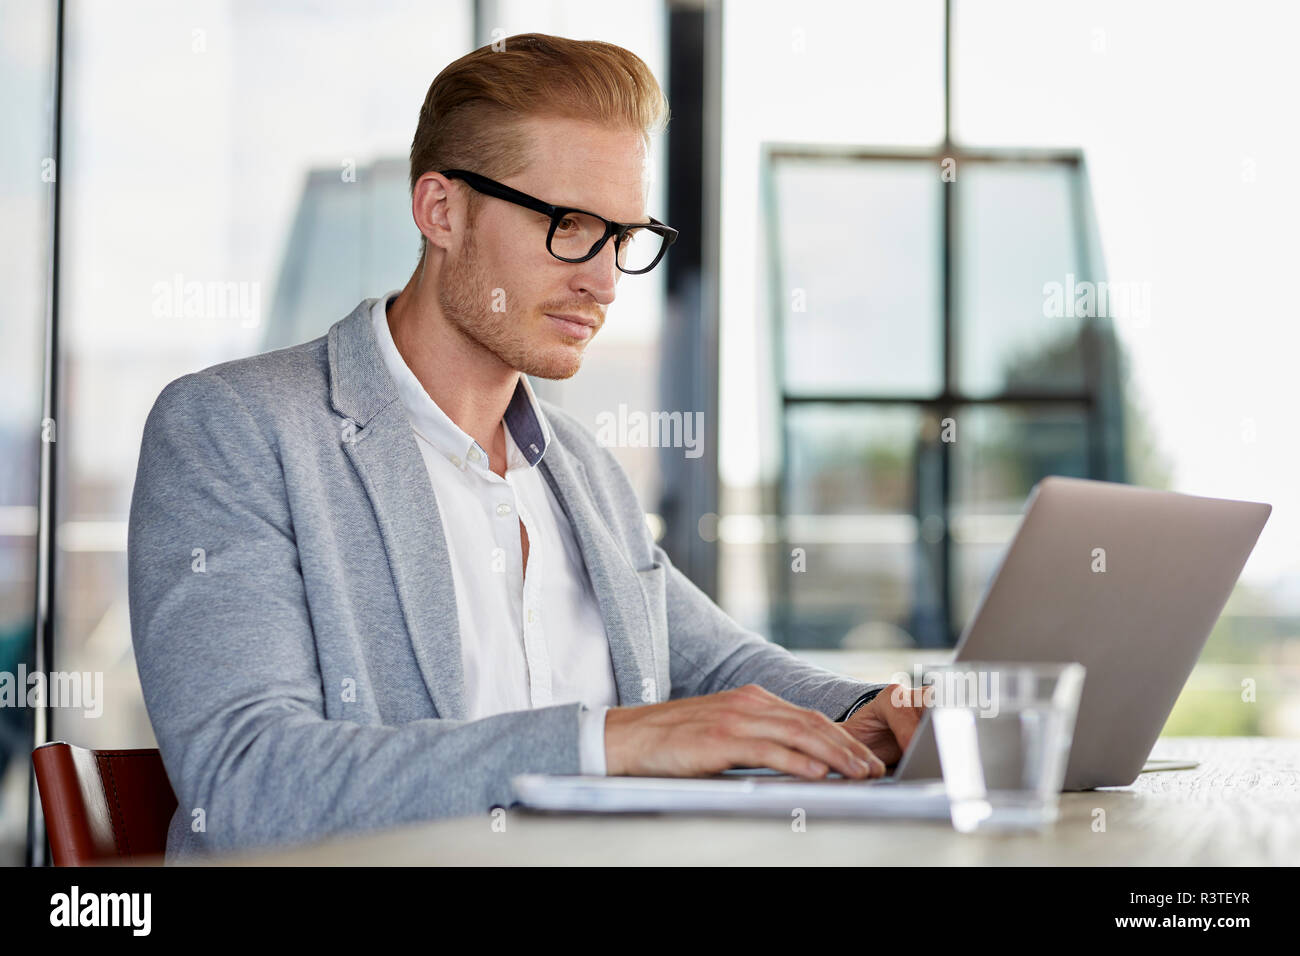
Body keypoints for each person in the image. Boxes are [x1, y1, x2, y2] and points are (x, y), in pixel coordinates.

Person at [127, 32, 921, 860]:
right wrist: (608, 744)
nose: (605, 281)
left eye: (623, 236)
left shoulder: (581, 468)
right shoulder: (233, 430)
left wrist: (875, 708)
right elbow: (249, 781)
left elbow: (716, 668)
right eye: (569, 224)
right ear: (441, 210)